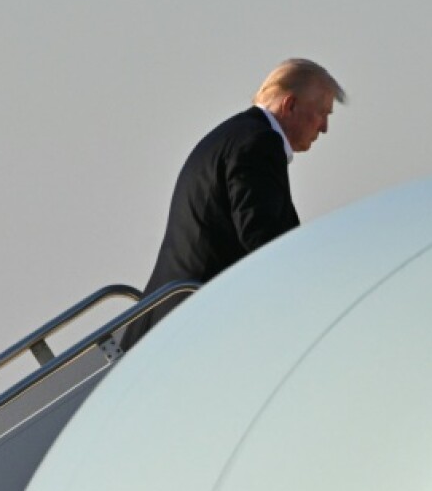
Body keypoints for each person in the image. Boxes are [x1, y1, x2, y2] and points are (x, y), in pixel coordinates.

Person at [121, 58, 345, 350]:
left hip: (172, 317)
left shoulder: (236, 135)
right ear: (290, 105)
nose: (325, 127)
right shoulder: (258, 143)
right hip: (195, 324)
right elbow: (260, 235)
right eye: (321, 113)